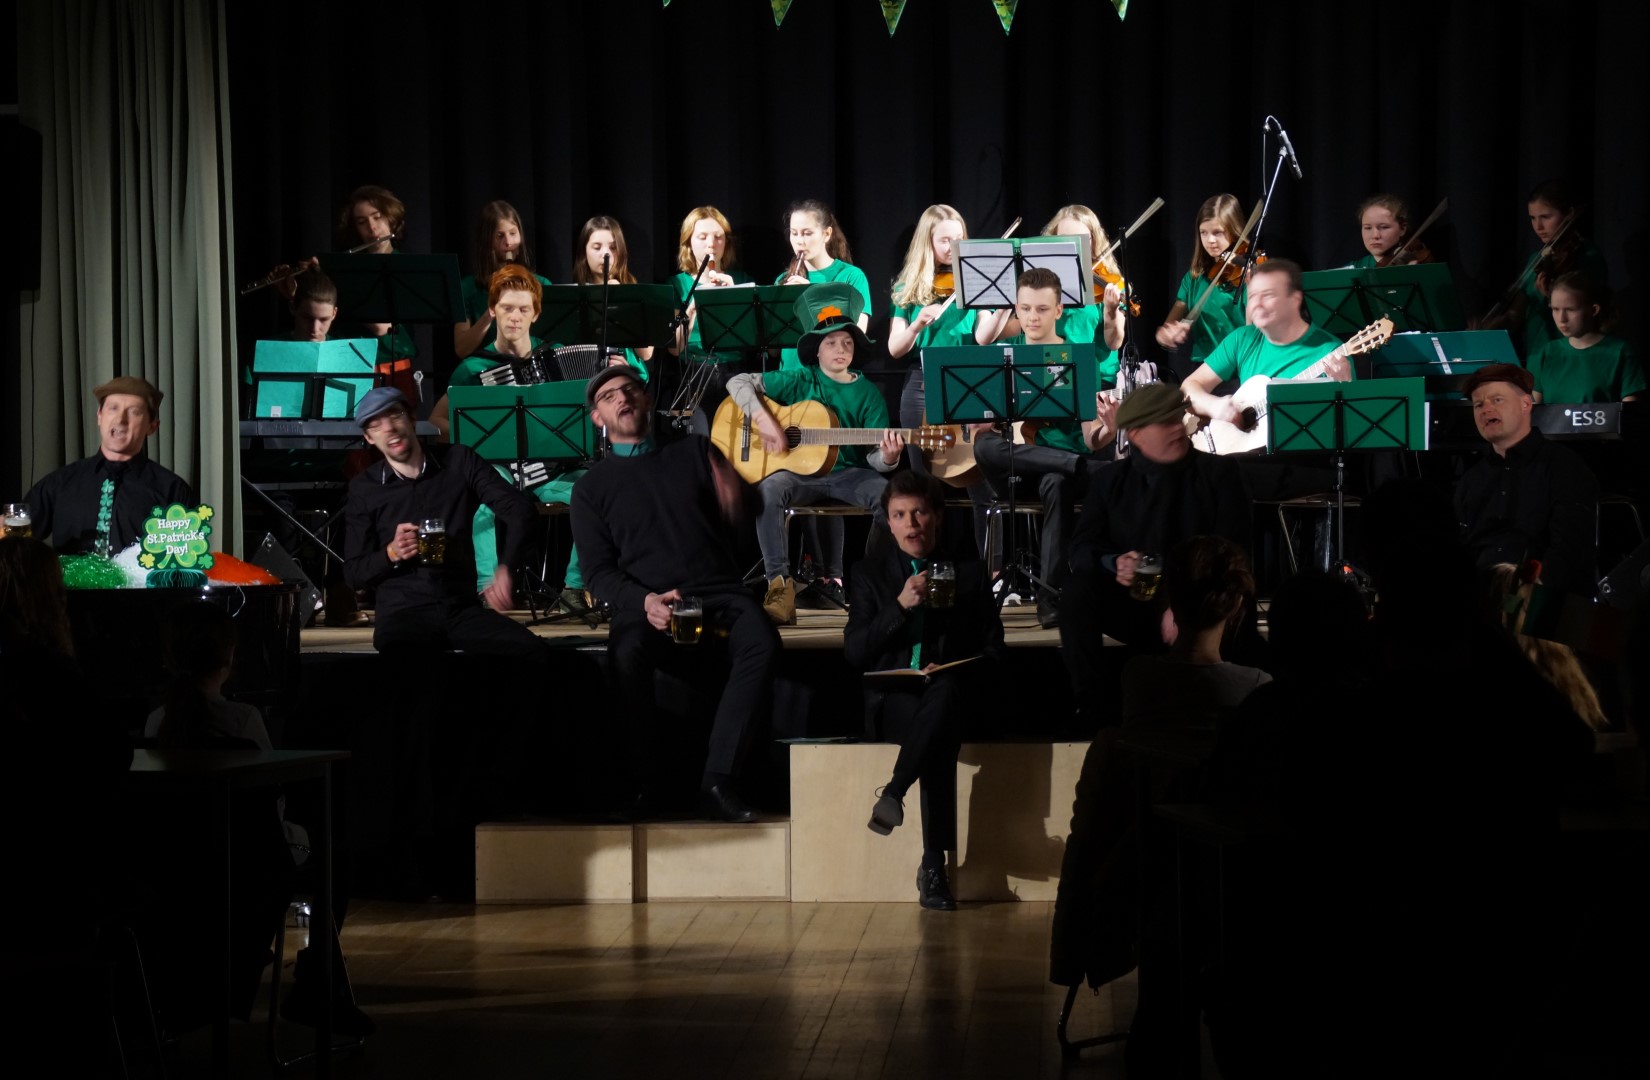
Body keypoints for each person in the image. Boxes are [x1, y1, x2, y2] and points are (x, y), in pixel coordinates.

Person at [1050, 535, 1271, 991]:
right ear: (1235, 607)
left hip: (1143, 872)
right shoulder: (1255, 687)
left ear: (1171, 603)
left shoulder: (1140, 677)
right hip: (1227, 881)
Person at [571, 365, 780, 822]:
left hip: (718, 592)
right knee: (625, 651)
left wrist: (739, 499)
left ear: (647, 400)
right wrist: (644, 602)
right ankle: (648, 786)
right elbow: (598, 574)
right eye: (609, 396)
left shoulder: (695, 450)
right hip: (648, 603)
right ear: (597, 418)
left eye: (630, 389)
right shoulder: (590, 489)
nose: (623, 398)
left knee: (762, 641)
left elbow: (746, 515)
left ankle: (718, 781)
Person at [843, 470, 1005, 911]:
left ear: (938, 517)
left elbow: (995, 650)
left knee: (945, 698)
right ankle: (933, 867)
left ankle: (895, 794)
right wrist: (899, 606)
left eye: (919, 513)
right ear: (888, 522)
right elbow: (855, 652)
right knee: (937, 731)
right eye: (900, 515)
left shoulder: (968, 574)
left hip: (953, 694)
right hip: (894, 700)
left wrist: (957, 665)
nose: (911, 524)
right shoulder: (869, 574)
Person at [1057, 383, 1252, 727]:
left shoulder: (1218, 473)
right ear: (1136, 434)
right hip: (1135, 602)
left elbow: (1233, 550)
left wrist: (1185, 605)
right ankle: (1092, 709)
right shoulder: (1110, 480)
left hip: (1203, 604)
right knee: (1075, 593)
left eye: (1177, 418)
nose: (1178, 428)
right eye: (1166, 423)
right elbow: (1082, 548)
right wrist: (1114, 563)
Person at [725, 283, 902, 622]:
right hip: (800, 474)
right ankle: (780, 586)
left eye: (847, 342)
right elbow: (737, 383)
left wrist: (890, 458)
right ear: (816, 351)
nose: (840, 349)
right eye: (831, 343)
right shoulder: (800, 379)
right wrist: (763, 420)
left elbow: (874, 458)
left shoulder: (868, 394)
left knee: (889, 497)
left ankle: (872, 582)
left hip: (849, 475)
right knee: (769, 490)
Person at [431, 266, 594, 617]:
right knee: (479, 498)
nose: (515, 317)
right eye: (506, 308)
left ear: (536, 313)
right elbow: (436, 421)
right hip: (500, 470)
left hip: (552, 470)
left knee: (594, 493)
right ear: (492, 310)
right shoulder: (474, 368)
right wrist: (472, 434)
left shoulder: (556, 355)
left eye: (523, 309)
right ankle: (487, 591)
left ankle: (574, 589)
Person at [342, 386, 544, 654]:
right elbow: (353, 574)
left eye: (394, 415)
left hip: (461, 609)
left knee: (530, 652)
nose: (389, 428)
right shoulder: (365, 488)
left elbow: (520, 510)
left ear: (412, 418)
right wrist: (390, 553)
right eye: (376, 425)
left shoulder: (459, 461)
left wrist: (506, 568)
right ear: (368, 437)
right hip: (403, 615)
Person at [968, 268, 1118, 628]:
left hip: (1057, 475)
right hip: (1014, 471)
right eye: (1025, 309)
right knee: (983, 445)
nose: (1032, 317)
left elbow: (1090, 438)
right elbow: (980, 425)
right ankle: (1077, 466)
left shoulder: (1079, 359)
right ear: (1016, 309)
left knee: (1057, 481)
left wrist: (1110, 429)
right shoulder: (999, 356)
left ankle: (1049, 598)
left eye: (1042, 309)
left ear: (1059, 310)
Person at [1454, 363, 1599, 597]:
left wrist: (1530, 593)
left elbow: (1570, 547)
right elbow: (1461, 550)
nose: (1486, 409)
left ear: (1526, 404)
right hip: (1483, 599)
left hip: (1544, 598)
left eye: (1497, 400)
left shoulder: (1562, 465)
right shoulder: (1471, 479)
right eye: (1478, 405)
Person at [23, 375, 195, 555]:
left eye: (134, 412)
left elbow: (185, 562)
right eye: (113, 408)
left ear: (152, 426)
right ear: (99, 416)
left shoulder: (172, 490)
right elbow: (15, 544)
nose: (121, 419)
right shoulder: (58, 484)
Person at [1179, 259, 1351, 426]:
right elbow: (1189, 386)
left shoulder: (1331, 352)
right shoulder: (1242, 338)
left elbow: (1345, 427)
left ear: (1294, 299)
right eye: (1252, 296)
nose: (1257, 304)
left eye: (1268, 295)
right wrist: (1213, 406)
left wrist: (1346, 390)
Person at [886, 205, 976, 464]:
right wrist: (916, 326)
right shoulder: (907, 287)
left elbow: (984, 337)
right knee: (923, 471)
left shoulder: (973, 282)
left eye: (958, 238)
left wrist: (1002, 308)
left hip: (968, 378)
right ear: (928, 243)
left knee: (970, 468)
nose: (953, 246)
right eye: (945, 240)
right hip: (922, 382)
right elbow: (895, 349)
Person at [1511, 180, 1610, 357]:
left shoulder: (1587, 256)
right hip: (1537, 353)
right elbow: (1517, 314)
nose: (1538, 226)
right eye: (1533, 218)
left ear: (1569, 214)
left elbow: (1588, 313)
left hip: (1571, 353)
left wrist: (1551, 297)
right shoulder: (1536, 259)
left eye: (1546, 217)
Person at [335, 185, 417, 396]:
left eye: (377, 217)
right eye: (362, 222)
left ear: (391, 218)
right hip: (352, 366)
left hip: (395, 366)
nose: (371, 228)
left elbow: (396, 331)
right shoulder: (347, 268)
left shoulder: (409, 268)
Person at [1154, 193, 1248, 377]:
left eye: (1217, 232)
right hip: (1205, 368)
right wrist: (1166, 334)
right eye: (1203, 232)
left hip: (1242, 366)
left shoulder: (1247, 273)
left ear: (1234, 230)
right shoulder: (1194, 278)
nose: (1210, 240)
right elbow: (1171, 323)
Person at [774, 199, 872, 371]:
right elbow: (773, 350)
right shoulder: (783, 280)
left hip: (830, 377)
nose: (799, 241)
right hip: (790, 375)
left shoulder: (851, 276)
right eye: (794, 233)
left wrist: (810, 294)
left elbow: (857, 335)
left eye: (807, 233)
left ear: (826, 234)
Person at [1526, 272, 1645, 403]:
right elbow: (1533, 409)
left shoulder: (1620, 352)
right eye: (1555, 309)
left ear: (1593, 310)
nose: (1561, 318)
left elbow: (1630, 411)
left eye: (1570, 310)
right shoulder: (1547, 352)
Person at [454, 200, 551, 358]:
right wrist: (491, 311)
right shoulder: (468, 287)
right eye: (500, 236)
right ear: (487, 241)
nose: (508, 242)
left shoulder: (541, 284)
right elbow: (462, 349)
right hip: (487, 367)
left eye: (513, 234)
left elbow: (552, 340)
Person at [572, 214, 653, 372]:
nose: (606, 254)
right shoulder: (575, 295)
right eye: (597, 247)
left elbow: (646, 354)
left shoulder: (635, 293)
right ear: (584, 251)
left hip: (626, 375)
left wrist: (623, 299)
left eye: (613, 247)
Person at [1343, 193, 1432, 268]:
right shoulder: (1351, 269)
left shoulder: (1419, 263)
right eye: (1368, 228)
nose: (1375, 235)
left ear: (1402, 229)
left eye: (1384, 227)